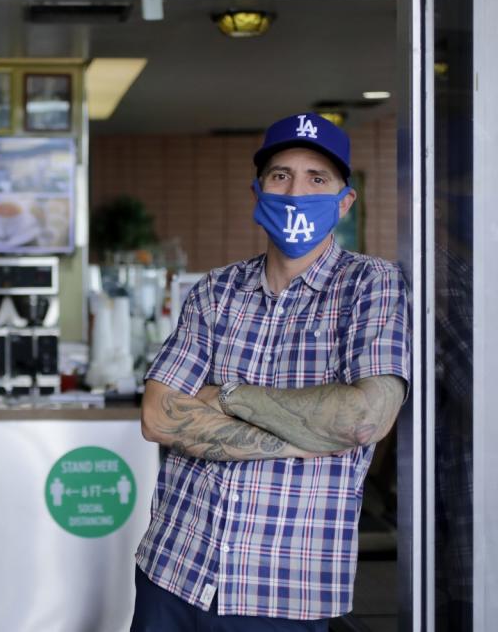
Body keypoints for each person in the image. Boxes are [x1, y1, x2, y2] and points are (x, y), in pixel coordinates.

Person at [131, 112, 411, 631]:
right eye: (281, 175)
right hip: (171, 572)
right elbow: (159, 417)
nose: (296, 191)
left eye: (317, 178)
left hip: (282, 592)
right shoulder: (216, 291)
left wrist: (228, 394)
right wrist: (308, 435)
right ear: (258, 190)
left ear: (345, 201)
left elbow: (363, 420)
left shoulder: (374, 286)